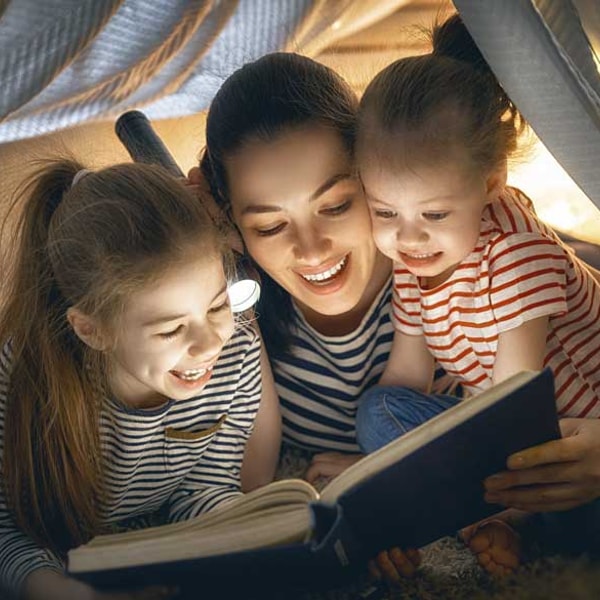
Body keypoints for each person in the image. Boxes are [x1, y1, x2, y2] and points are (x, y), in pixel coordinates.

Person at [194, 52, 465, 584]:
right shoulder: (236, 309)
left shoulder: (443, 262)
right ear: (234, 225)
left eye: (336, 205)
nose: (311, 249)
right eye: (271, 226)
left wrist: (387, 472)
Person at [354, 13, 600, 577]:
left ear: (490, 183)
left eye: (435, 214)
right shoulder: (414, 263)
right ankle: (489, 512)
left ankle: (497, 517)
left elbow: (513, 406)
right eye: (385, 211)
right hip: (504, 437)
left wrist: (426, 474)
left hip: (571, 436)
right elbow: (406, 377)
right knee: (376, 414)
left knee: (577, 516)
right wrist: (372, 471)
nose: (407, 237)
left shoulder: (516, 255)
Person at [0, 160, 278, 599]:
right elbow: (8, 527)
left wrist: (253, 530)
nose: (209, 344)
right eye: (170, 330)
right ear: (92, 330)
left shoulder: (235, 353)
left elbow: (206, 484)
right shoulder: (28, 375)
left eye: (218, 305)